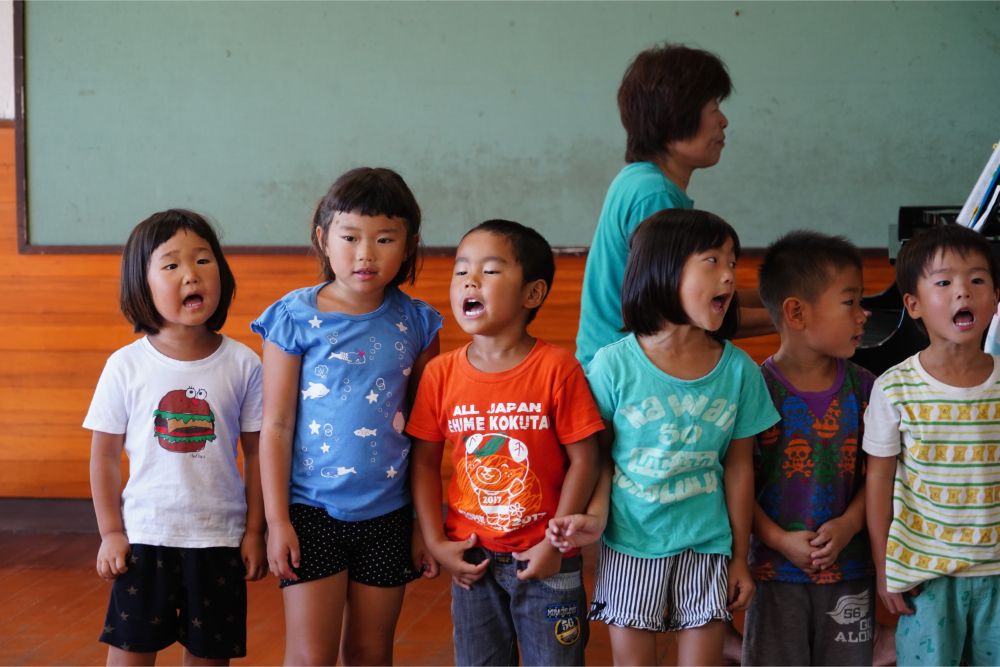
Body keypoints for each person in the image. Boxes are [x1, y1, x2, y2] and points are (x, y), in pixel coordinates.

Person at [549, 209, 779, 666]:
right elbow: (599, 458)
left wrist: (738, 557)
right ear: (662, 269)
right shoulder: (613, 366)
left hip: (708, 545)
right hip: (631, 545)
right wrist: (594, 517)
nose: (729, 276)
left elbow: (738, 467)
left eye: (733, 263)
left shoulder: (739, 371)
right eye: (712, 260)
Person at [252, 167, 442, 665]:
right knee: (310, 657)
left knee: (370, 653)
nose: (366, 254)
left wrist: (424, 525)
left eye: (385, 239)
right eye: (351, 237)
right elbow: (276, 425)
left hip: (389, 514)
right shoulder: (293, 318)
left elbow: (425, 431)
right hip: (310, 513)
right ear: (323, 238)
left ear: (410, 245)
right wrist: (276, 521)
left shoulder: (418, 322)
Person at [407, 220, 603, 666]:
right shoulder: (440, 374)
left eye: (490, 271)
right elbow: (423, 464)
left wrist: (556, 543)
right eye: (461, 271)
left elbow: (586, 460)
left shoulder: (557, 369)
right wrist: (435, 541)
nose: (470, 281)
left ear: (532, 293)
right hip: (471, 559)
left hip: (546, 559)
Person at [85, 209, 266, 665]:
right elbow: (104, 456)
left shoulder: (244, 363)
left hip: (219, 539)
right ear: (141, 284)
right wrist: (111, 532)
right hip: (145, 536)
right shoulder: (125, 365)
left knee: (209, 656)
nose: (191, 274)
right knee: (130, 654)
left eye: (203, 260)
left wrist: (254, 531)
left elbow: (258, 454)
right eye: (171, 265)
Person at [576, 43, 772, 368]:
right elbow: (686, 310)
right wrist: (799, 317)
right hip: (626, 379)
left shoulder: (642, 181)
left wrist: (785, 297)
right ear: (674, 117)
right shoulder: (653, 195)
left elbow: (699, 296)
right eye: (713, 107)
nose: (723, 121)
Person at [864, 224, 1000, 666]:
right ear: (914, 305)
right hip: (928, 574)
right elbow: (879, 482)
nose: (963, 291)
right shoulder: (895, 388)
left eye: (977, 279)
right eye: (944, 282)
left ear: (996, 298)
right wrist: (885, 567)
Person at [742, 231, 875, 665]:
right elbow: (737, 484)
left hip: (850, 571)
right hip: (775, 573)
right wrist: (779, 539)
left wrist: (850, 524)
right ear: (797, 312)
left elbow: (879, 476)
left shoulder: (866, 388)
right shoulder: (755, 391)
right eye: (850, 301)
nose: (863, 314)